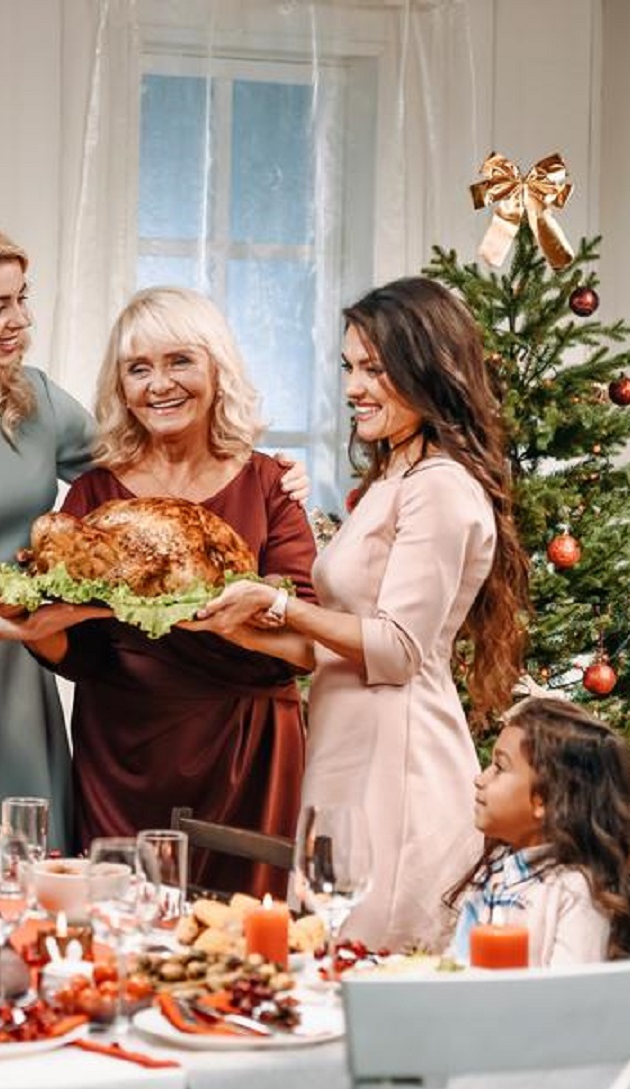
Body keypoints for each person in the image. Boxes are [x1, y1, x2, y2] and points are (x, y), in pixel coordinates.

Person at [0, 219, 310, 844]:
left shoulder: (32, 398)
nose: (19, 320)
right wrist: (23, 624)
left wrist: (268, 466)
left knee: (21, 858)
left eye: (22, 299)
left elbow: (142, 451)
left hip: (23, 666)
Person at [194, 276, 529, 949]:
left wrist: (282, 604)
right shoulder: (394, 477)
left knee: (369, 963)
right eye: (349, 367)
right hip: (348, 747)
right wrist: (250, 630)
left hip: (397, 759)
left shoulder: (439, 487)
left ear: (427, 368)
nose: (352, 388)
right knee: (329, 957)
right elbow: (336, 644)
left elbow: (398, 649)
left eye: (374, 369)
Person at [15, 287, 317, 894]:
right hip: (123, 750)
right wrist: (33, 628)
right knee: (120, 933)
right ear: (121, 386)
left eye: (180, 361)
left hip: (248, 750)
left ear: (216, 370)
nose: (160, 384)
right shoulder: (94, 494)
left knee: (240, 943)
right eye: (138, 368)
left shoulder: (270, 483)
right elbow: (82, 655)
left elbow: (307, 641)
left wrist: (228, 620)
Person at [445, 698, 630, 967]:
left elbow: (568, 998)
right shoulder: (492, 871)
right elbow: (456, 964)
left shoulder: (573, 892)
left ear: (544, 800)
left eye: (499, 768)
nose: (480, 779)